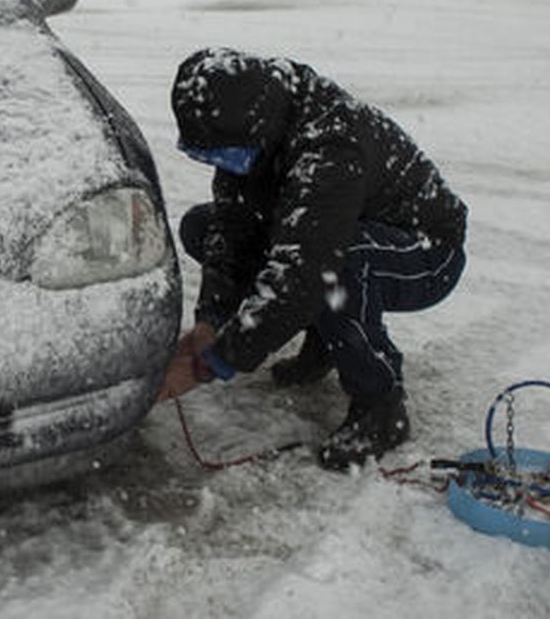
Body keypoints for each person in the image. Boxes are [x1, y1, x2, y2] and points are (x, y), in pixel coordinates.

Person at [159, 47, 468, 470]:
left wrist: (209, 366)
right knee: (203, 225)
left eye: (225, 153)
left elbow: (304, 272)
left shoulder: (331, 146)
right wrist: (211, 321)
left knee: (334, 265)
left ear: (256, 125)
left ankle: (381, 405)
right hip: (344, 232)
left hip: (427, 252)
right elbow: (232, 231)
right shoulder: (253, 125)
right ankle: (327, 340)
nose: (222, 166)